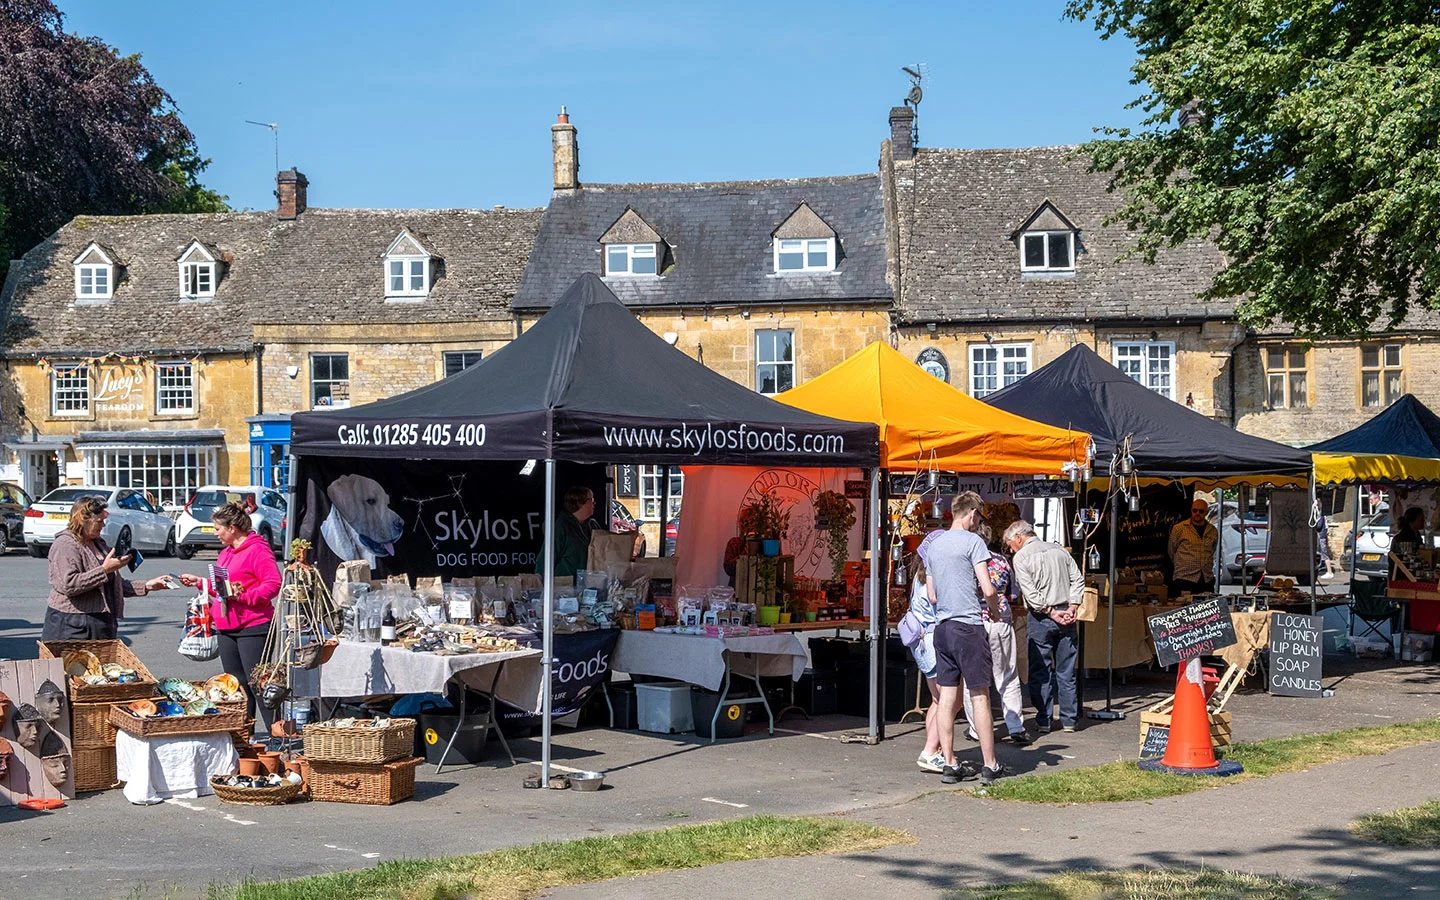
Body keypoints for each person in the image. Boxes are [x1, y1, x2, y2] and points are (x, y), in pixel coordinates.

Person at [926, 491, 1008, 786]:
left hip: (943, 629)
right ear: (972, 513)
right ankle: (990, 764)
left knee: (946, 698)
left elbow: (932, 596)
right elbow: (988, 589)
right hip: (968, 626)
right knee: (979, 696)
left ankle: (949, 763)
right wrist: (996, 611)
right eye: (979, 517)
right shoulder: (974, 542)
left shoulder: (934, 546)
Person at [178, 501, 281, 730]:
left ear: (232, 527)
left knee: (259, 685)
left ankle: (278, 737)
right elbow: (222, 585)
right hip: (227, 626)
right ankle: (246, 736)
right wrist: (201, 583)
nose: (215, 533)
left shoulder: (257, 549)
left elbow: (273, 584)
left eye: (218, 529)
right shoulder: (226, 552)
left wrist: (243, 597)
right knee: (235, 686)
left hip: (253, 625)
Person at [43, 495, 173, 640]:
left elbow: (111, 584)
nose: (103, 525)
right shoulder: (65, 545)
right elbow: (68, 585)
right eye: (99, 521)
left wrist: (148, 585)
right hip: (71, 626)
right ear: (82, 520)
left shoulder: (98, 543)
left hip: (99, 624)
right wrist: (105, 570)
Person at [1007, 519, 1085, 733]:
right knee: (1066, 670)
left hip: (1042, 617)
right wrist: (1072, 606)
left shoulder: (1021, 557)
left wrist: (1050, 611)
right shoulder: (1059, 550)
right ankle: (1069, 720)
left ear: (1019, 538)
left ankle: (1044, 720)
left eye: (1010, 544)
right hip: (1065, 614)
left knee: (1040, 670)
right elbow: (1078, 580)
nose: (1010, 548)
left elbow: (1030, 592)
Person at [961, 524, 1031, 746]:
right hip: (1001, 621)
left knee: (972, 679)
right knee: (1008, 675)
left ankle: (976, 729)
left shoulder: (965, 561)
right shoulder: (1001, 561)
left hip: (974, 622)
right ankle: (1015, 726)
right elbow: (1013, 593)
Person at [908, 532, 944, 773]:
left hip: (921, 641)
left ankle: (935, 748)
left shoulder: (917, 578)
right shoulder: (932, 581)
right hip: (932, 640)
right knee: (947, 701)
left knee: (937, 700)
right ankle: (931, 750)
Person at [533, 487, 596, 578]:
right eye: (591, 500)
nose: (594, 503)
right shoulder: (561, 528)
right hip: (564, 587)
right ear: (579, 503)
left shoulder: (593, 526)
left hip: (589, 587)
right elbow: (543, 562)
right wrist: (543, 588)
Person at [1168, 498, 1219, 595]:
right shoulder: (1179, 528)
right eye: (1195, 510)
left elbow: (1212, 549)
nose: (1197, 513)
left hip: (1206, 579)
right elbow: (1171, 550)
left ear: (1206, 512)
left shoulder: (1213, 530)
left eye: (1201, 511)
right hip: (1185, 578)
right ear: (1191, 511)